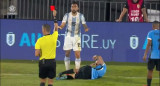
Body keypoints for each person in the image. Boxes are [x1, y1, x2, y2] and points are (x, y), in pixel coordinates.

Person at [58, 1, 89, 71]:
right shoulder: (67, 15)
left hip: (77, 37)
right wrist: (60, 27)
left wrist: (86, 28)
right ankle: (67, 70)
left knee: (77, 54)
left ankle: (77, 71)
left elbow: (84, 23)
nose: (73, 8)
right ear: (70, 8)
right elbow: (63, 24)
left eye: (75, 6)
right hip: (68, 36)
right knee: (67, 53)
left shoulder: (81, 16)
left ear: (77, 8)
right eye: (72, 6)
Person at [35, 10, 59, 86]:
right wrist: (54, 16)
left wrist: (40, 54)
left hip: (43, 62)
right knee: (50, 82)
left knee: (42, 81)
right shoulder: (54, 37)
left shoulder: (39, 40)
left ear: (44, 30)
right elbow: (56, 27)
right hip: (52, 62)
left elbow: (36, 54)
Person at [143, 21, 160, 86]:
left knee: (150, 71)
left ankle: (148, 85)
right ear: (158, 26)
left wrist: (145, 54)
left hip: (153, 55)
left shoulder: (150, 33)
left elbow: (149, 44)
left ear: (153, 26)